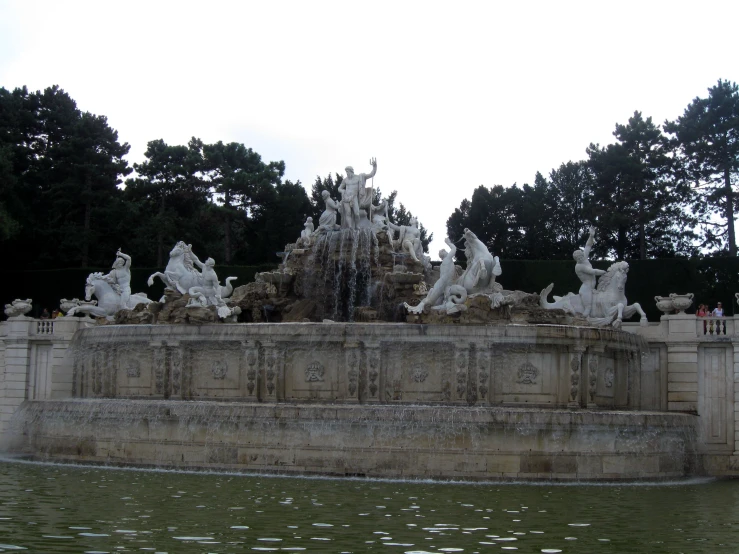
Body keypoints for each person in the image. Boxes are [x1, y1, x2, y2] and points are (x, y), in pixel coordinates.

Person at [574, 226, 606, 317]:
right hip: (586, 287)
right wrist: (603, 272)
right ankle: (585, 315)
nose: (580, 258)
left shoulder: (584, 259)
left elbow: (588, 246)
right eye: (578, 258)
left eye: (580, 256)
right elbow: (593, 272)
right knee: (588, 307)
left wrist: (591, 236)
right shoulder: (579, 266)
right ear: (576, 259)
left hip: (592, 286)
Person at [338, 158, 377, 229]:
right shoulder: (345, 180)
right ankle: (350, 227)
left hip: (354, 197)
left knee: (357, 213)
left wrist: (374, 167)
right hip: (346, 198)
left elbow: (372, 174)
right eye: (346, 172)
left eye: (348, 172)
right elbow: (339, 188)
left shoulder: (359, 177)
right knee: (348, 213)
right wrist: (342, 191)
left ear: (351, 171)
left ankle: (357, 226)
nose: (347, 174)